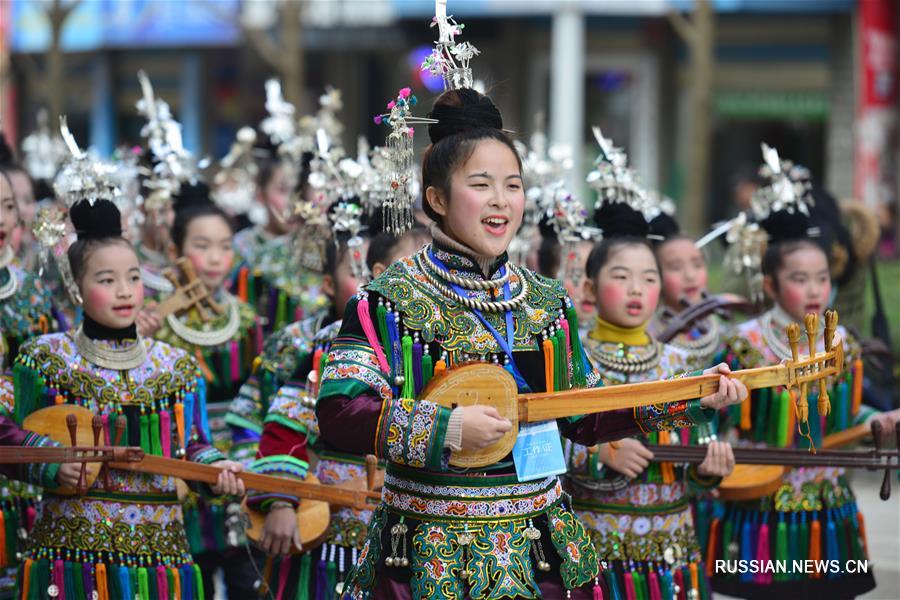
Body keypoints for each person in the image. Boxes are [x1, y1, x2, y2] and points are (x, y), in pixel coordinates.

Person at [314, 57, 747, 596]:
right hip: (425, 551)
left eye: (512, 185)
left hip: (537, 548)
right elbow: (337, 412)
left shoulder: (545, 302)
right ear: (437, 199)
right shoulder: (387, 300)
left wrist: (693, 399)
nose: (501, 200)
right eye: (481, 184)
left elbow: (585, 415)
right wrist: (444, 428)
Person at [3, 181, 245, 598]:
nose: (123, 291)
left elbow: (192, 445)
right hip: (71, 557)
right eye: (106, 279)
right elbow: (8, 435)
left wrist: (217, 472)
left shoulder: (176, 366)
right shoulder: (43, 360)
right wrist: (49, 462)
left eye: (133, 278)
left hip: (159, 558)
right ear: (77, 288)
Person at [708, 145, 900, 600]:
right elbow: (716, 418)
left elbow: (847, 413)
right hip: (756, 500)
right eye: (799, 278)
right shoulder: (741, 343)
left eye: (822, 277)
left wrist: (876, 420)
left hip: (826, 505)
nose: (815, 290)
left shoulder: (841, 343)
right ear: (771, 284)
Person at [565, 187, 735, 600]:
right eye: (621, 278)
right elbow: (542, 441)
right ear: (589, 289)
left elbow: (698, 448)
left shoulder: (681, 363)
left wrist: (707, 469)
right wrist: (598, 453)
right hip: (593, 542)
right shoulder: (573, 359)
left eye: (649, 278)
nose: (637, 290)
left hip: (669, 544)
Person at [137, 181, 262, 597]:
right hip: (180, 459)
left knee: (247, 573)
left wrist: (247, 454)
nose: (215, 258)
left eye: (224, 246)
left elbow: (257, 392)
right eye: (202, 245)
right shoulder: (155, 323)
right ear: (175, 252)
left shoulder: (245, 318)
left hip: (239, 458)